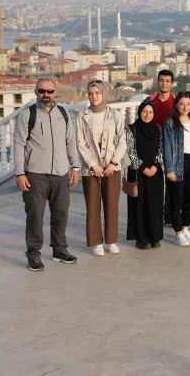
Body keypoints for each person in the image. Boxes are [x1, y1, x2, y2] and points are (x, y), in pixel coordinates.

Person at [13, 78, 80, 271]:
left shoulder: (63, 113)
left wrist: (75, 167)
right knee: (35, 216)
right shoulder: (28, 115)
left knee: (61, 213)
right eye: (42, 91)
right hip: (35, 175)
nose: (46, 95)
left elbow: (70, 142)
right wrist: (20, 173)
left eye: (50, 91)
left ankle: (60, 249)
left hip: (60, 173)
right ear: (36, 92)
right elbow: (19, 145)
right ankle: (33, 254)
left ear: (55, 92)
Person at [76, 80, 127, 256]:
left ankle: (111, 241)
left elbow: (123, 140)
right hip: (91, 168)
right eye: (91, 93)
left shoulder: (115, 115)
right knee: (92, 206)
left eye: (97, 93)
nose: (94, 96)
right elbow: (80, 142)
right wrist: (93, 164)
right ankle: (96, 242)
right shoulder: (82, 116)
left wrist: (114, 163)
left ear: (104, 94)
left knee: (111, 205)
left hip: (112, 167)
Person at [162, 91, 190, 247]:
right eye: (181, 104)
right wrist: (170, 170)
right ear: (176, 105)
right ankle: (178, 233)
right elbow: (167, 148)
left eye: (188, 104)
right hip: (178, 164)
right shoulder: (170, 123)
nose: (185, 107)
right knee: (176, 200)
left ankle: (186, 227)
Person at [125, 99, 165, 249]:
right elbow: (130, 150)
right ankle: (141, 238)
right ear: (139, 112)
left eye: (150, 112)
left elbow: (161, 149)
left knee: (155, 205)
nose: (147, 115)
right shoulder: (131, 129)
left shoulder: (158, 129)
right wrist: (142, 167)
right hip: (138, 173)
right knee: (139, 205)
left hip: (155, 173)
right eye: (144, 111)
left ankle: (155, 237)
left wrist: (155, 165)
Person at [151, 69, 175, 225]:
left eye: (167, 81)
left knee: (172, 182)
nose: (164, 84)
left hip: (172, 146)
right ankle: (156, 214)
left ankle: (169, 215)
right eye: (161, 80)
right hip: (154, 146)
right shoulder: (150, 101)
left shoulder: (177, 102)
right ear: (157, 82)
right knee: (156, 183)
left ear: (172, 83)